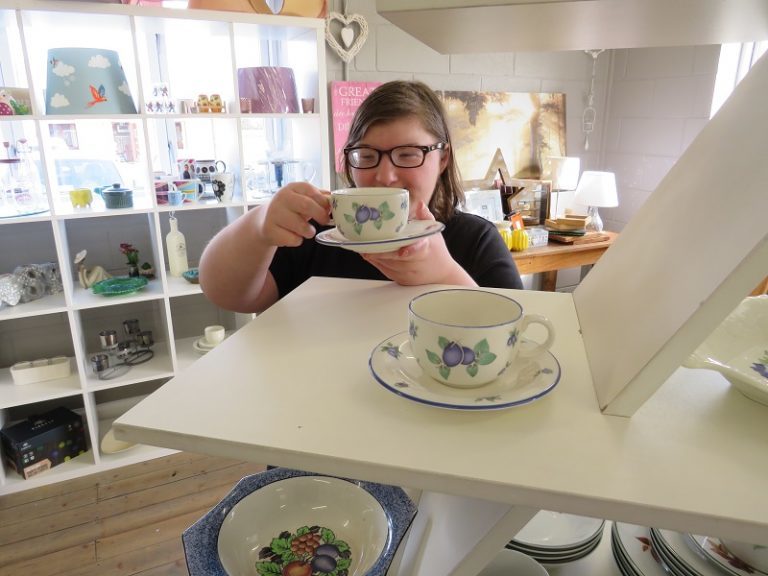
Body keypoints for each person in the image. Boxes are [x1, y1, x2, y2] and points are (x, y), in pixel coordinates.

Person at [199, 80, 522, 314]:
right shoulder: (314, 233)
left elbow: (517, 337)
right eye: (366, 156)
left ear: (443, 159)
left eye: (408, 155)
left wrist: (445, 276)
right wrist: (259, 225)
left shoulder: (476, 239)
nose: (384, 176)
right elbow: (232, 297)